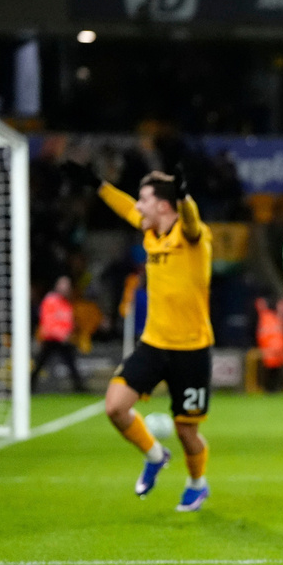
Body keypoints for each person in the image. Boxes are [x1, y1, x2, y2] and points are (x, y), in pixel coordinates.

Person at [62, 161, 213, 512]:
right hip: (154, 343)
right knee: (114, 406)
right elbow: (126, 206)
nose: (138, 206)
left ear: (163, 205)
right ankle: (155, 455)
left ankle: (197, 483)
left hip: (191, 349)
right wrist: (98, 184)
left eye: (144, 200)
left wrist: (185, 195)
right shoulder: (150, 230)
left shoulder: (192, 236)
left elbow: (189, 221)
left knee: (187, 432)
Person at [31, 275, 86, 392]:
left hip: (63, 339)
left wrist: (69, 333)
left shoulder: (66, 302)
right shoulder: (51, 300)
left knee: (70, 363)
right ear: (57, 286)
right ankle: (29, 386)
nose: (65, 288)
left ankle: (79, 387)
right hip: (51, 338)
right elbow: (47, 320)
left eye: (67, 285)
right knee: (41, 362)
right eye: (63, 285)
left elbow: (68, 320)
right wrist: (60, 334)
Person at [254, 295, 283, 393]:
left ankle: (275, 388)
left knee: (277, 371)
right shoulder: (266, 317)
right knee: (269, 371)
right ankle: (269, 389)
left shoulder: (278, 318)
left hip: (279, 350)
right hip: (268, 350)